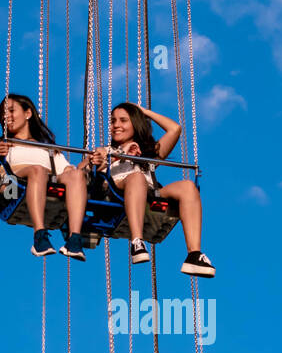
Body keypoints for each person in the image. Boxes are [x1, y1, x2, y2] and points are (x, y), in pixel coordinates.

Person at [89, 103, 214, 277]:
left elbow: (175, 129)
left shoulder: (146, 154)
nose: (116, 125)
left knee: (188, 187)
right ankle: (137, 241)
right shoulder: (106, 151)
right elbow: (89, 167)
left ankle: (194, 255)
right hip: (117, 191)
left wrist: (144, 112)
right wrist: (116, 155)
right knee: (137, 178)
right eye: (113, 121)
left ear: (135, 123)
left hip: (148, 193)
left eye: (123, 120)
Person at [0, 94, 87, 260]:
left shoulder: (46, 148)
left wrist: (87, 163)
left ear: (27, 113)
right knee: (37, 170)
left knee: (76, 175)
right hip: (11, 188)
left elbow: (66, 170)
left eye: (11, 110)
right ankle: (39, 235)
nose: (6, 116)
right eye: (2, 114)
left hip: (43, 181)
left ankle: (74, 239)